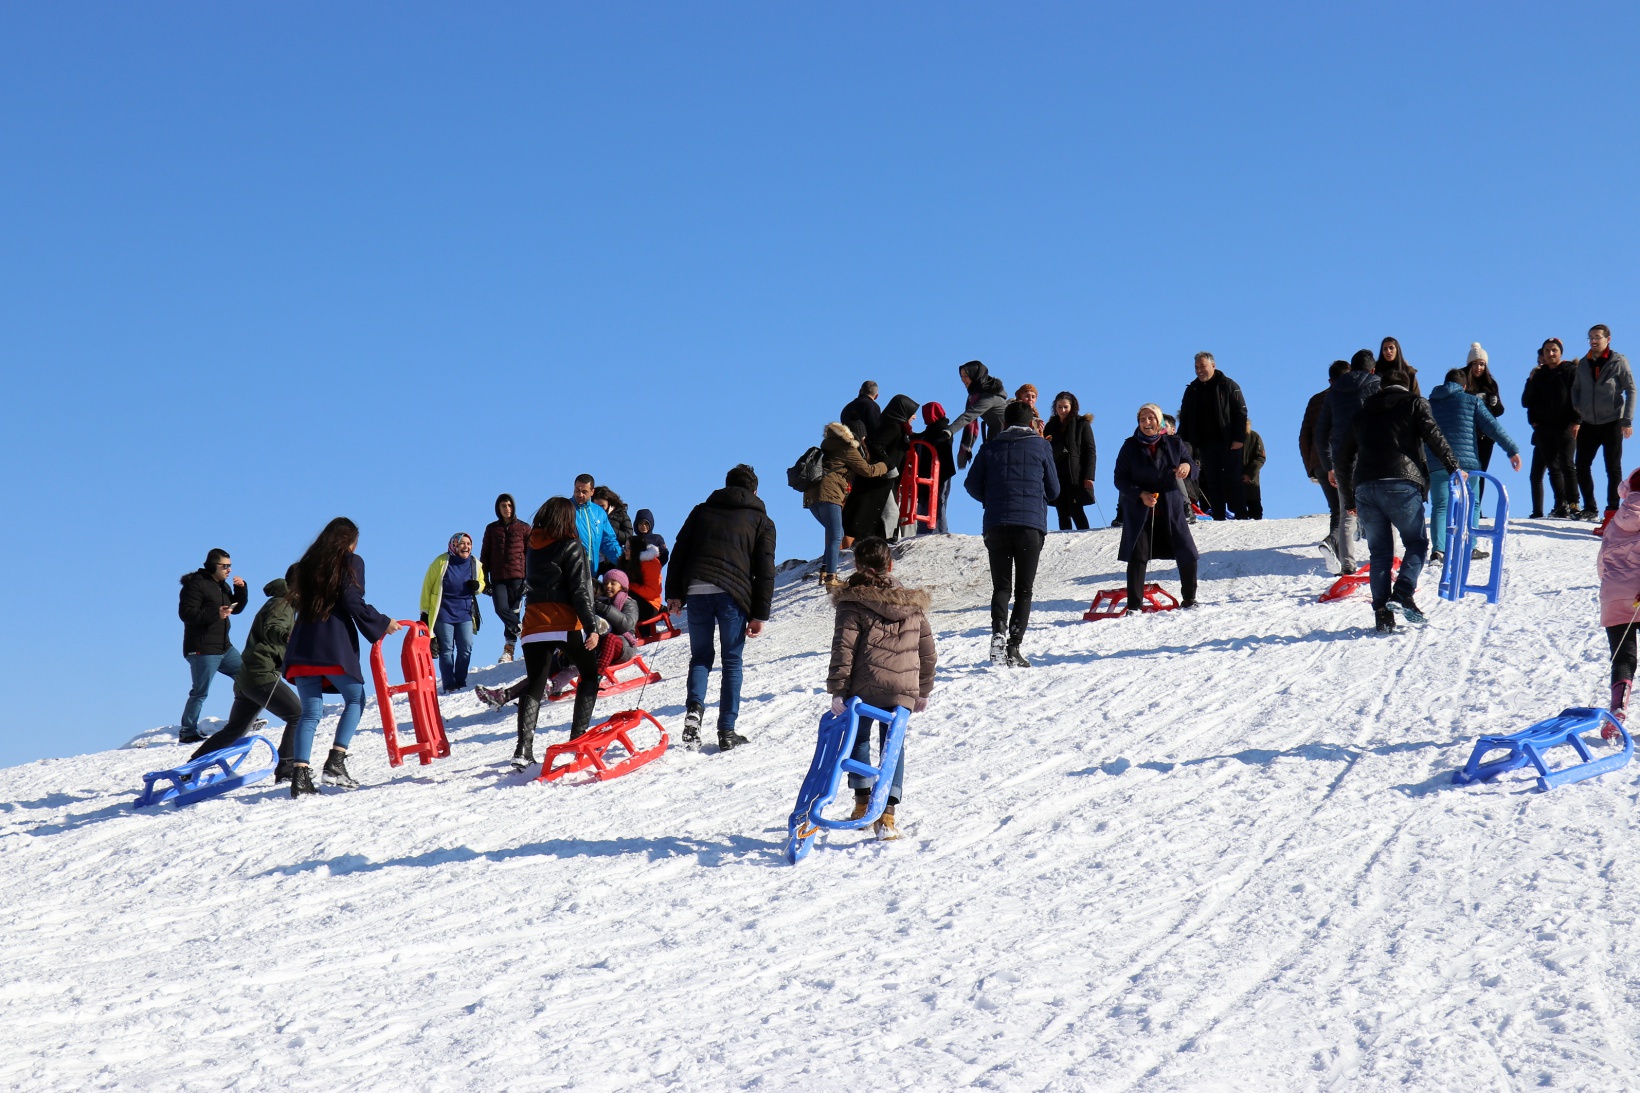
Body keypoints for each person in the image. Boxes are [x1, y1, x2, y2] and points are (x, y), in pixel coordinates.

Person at [826, 536, 935, 841]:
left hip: (865, 687)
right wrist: (922, 690)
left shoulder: (852, 602)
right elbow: (927, 651)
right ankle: (886, 814)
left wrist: (838, 689)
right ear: (890, 564)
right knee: (893, 747)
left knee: (858, 739)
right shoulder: (912, 603)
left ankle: (862, 805)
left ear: (857, 565)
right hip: (902, 689)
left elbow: (843, 649)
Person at [1337, 367, 1461, 633]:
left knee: (1380, 553)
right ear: (1407, 386)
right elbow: (1433, 436)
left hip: (1365, 488)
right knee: (1416, 542)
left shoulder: (1363, 412)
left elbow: (1342, 457)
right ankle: (1403, 592)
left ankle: (1382, 615)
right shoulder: (1415, 403)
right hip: (1401, 483)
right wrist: (1454, 467)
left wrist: (1349, 498)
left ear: (1382, 387)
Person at [283, 518, 399, 796]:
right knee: (356, 699)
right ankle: (336, 761)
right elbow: (351, 600)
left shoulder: (308, 565)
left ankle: (300, 776)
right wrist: (382, 622)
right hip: (331, 643)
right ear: (349, 541)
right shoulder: (349, 561)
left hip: (301, 645)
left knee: (310, 712)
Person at [665, 465, 777, 749]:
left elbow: (680, 550)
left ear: (726, 485)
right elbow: (765, 570)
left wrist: (675, 593)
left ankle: (694, 711)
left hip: (697, 590)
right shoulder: (762, 521)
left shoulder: (701, 511)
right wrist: (760, 614)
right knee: (731, 661)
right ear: (754, 491)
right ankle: (726, 731)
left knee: (701, 657)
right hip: (733, 595)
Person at [512, 497, 606, 769]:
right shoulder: (571, 545)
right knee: (589, 674)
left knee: (535, 684)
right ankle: (578, 740)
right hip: (563, 622)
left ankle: (523, 749)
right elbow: (579, 591)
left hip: (533, 624)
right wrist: (591, 627)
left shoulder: (532, 545)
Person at [964, 400, 1059, 667]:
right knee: (1024, 590)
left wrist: (992, 499)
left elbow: (971, 484)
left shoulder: (990, 447)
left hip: (997, 525)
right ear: (1032, 423)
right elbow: (1054, 490)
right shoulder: (1042, 446)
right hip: (1030, 526)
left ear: (1004, 422)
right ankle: (1014, 647)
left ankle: (997, 633)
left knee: (1001, 586)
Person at [188, 567, 299, 783]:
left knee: (234, 730)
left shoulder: (284, 603)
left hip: (248, 678)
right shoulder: (282, 603)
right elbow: (273, 627)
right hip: (261, 675)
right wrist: (288, 636)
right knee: (298, 715)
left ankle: (191, 767)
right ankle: (286, 770)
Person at [1426, 368, 1522, 561]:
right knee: (1472, 503)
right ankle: (1470, 547)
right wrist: (1512, 449)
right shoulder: (1471, 401)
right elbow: (1492, 427)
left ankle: (1439, 550)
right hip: (1467, 463)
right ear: (1464, 386)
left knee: (1440, 505)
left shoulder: (1428, 404)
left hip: (1437, 462)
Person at [1114, 404, 1200, 612]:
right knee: (1138, 555)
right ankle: (1134, 605)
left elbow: (1193, 467)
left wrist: (1187, 467)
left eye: (1151, 418)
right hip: (1141, 508)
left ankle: (1189, 598)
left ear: (1160, 421)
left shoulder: (1173, 443)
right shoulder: (1130, 446)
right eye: (1142, 419)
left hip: (1170, 505)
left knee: (1187, 551)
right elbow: (1120, 479)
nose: (1146, 423)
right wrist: (1140, 494)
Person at [1318, 350, 1382, 575]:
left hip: (1343, 459)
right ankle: (1386, 559)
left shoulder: (1333, 391)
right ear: (1372, 370)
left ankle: (1348, 564)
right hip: (1371, 456)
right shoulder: (1376, 385)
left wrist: (1328, 466)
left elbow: (1321, 432)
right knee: (1381, 510)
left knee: (1347, 512)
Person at [177, 548, 249, 744]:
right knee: (200, 691)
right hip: (203, 649)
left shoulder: (222, 586)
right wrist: (215, 614)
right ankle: (187, 731)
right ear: (212, 566)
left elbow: (237, 608)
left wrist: (241, 590)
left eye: (230, 566)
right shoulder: (195, 585)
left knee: (248, 677)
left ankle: (245, 718)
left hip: (224, 647)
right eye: (224, 566)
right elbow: (187, 614)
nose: (228, 570)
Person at [804, 421, 886, 585]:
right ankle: (831, 577)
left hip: (812, 496)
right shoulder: (847, 449)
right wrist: (885, 466)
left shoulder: (827, 447)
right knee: (836, 535)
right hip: (830, 494)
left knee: (835, 533)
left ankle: (825, 570)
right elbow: (867, 471)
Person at [1571, 324, 1636, 524]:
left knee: (1613, 467)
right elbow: (1576, 389)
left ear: (1608, 339)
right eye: (1590, 337)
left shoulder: (1618, 361)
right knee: (1581, 465)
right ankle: (1590, 507)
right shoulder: (1583, 363)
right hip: (1589, 423)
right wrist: (1579, 411)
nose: (1593, 340)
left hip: (1612, 422)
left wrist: (1627, 419)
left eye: (1597, 337)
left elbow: (1631, 389)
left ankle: (1613, 508)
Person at [1175, 352, 1249, 521]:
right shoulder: (1192, 390)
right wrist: (1180, 443)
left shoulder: (1228, 385)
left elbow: (1241, 411)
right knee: (1212, 482)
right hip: (1205, 444)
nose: (1199, 370)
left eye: (1202, 366)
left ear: (1213, 366)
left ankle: (1241, 516)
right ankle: (1218, 517)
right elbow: (1185, 418)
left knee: (1233, 480)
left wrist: (1239, 438)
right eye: (1196, 367)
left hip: (1229, 442)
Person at [1597, 469, 1640, 733]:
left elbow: (1603, 562)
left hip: (1614, 595)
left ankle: (1618, 710)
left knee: (1623, 655)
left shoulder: (1615, 522)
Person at [847, 394, 919, 541]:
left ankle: (882, 541)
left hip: (886, 479)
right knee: (890, 512)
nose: (915, 416)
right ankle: (887, 542)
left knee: (885, 512)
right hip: (881, 478)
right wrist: (890, 466)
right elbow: (876, 446)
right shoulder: (893, 426)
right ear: (903, 410)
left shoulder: (898, 428)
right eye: (912, 412)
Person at [420, 532, 485, 693]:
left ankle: (460, 680)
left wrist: (478, 586)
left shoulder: (474, 563)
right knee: (447, 648)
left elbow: (482, 582)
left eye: (469, 544)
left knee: (466, 647)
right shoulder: (441, 562)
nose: (466, 547)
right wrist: (424, 613)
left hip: (465, 612)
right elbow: (427, 587)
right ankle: (449, 684)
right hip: (443, 613)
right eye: (462, 543)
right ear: (454, 545)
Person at [1522, 338, 1578, 518]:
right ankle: (1561, 504)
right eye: (1547, 350)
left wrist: (1577, 421)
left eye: (1554, 350)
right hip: (1544, 429)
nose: (1550, 354)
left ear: (1560, 352)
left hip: (1565, 426)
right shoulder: (1538, 375)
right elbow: (1527, 402)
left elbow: (1578, 397)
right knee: (1553, 469)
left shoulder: (1570, 371)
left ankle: (1574, 503)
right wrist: (1534, 422)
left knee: (1568, 465)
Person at [1300, 361, 1350, 547]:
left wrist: (1311, 468)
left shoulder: (1315, 400)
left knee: (1337, 508)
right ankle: (1334, 544)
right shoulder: (1349, 398)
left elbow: (1304, 437)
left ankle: (1336, 548)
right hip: (1344, 460)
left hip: (1320, 462)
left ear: (1330, 380)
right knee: (1346, 508)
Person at [481, 493, 528, 663]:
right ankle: (524, 634)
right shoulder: (492, 529)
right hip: (498, 577)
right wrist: (484, 580)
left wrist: (528, 579)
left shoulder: (524, 528)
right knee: (501, 609)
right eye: (503, 506)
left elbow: (530, 554)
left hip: (518, 577)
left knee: (514, 611)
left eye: (509, 505)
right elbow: (485, 555)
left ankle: (509, 650)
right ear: (498, 508)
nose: (507, 509)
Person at [1461, 344, 1507, 505]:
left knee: (1480, 472)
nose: (1478, 368)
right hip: (1467, 434)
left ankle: (1476, 506)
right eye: (1475, 364)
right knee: (1465, 471)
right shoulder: (1462, 381)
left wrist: (1493, 403)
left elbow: (1500, 411)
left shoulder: (1491, 384)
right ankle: (1463, 505)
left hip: (1486, 435)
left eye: (1482, 364)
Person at [1043, 390, 1096, 530]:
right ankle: (1065, 543)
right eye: (1059, 407)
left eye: (1065, 406)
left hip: (1076, 476)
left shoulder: (1081, 424)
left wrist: (1089, 476)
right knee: (1062, 512)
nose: (1062, 410)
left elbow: (1090, 451)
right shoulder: (1050, 426)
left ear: (1072, 407)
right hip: (1057, 473)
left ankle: (1085, 536)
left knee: (1076, 509)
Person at [947, 360, 1009, 470]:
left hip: (1005, 436)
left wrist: (949, 431)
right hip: (995, 434)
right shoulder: (974, 395)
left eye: (966, 375)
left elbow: (969, 415)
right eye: (961, 376)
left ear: (976, 375)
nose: (963, 380)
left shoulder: (989, 396)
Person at [912, 402, 956, 534]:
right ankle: (934, 529)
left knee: (937, 501)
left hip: (938, 473)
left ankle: (937, 530)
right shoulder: (937, 429)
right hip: (938, 472)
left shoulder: (940, 430)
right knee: (935, 501)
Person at [624, 508, 670, 621]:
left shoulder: (656, 538)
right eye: (640, 523)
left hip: (651, 571)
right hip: (636, 571)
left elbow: (664, 554)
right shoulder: (633, 540)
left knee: (648, 590)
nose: (643, 526)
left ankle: (658, 607)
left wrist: (655, 564)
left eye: (646, 523)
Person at [573, 474, 623, 570]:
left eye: (584, 492)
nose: (580, 495)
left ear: (592, 492)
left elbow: (608, 541)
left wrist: (622, 560)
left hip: (591, 572)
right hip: (570, 572)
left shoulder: (599, 512)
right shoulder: (566, 509)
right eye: (577, 490)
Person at [592, 485, 633, 550]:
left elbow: (628, 537)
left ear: (609, 502)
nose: (599, 509)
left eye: (602, 506)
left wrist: (609, 528)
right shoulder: (590, 515)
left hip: (613, 554)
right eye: (596, 506)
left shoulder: (621, 514)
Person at [1241, 423, 1266, 519]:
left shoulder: (1254, 436)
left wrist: (1249, 474)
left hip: (1251, 483)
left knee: (1255, 510)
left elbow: (1260, 457)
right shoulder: (1228, 436)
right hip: (1232, 482)